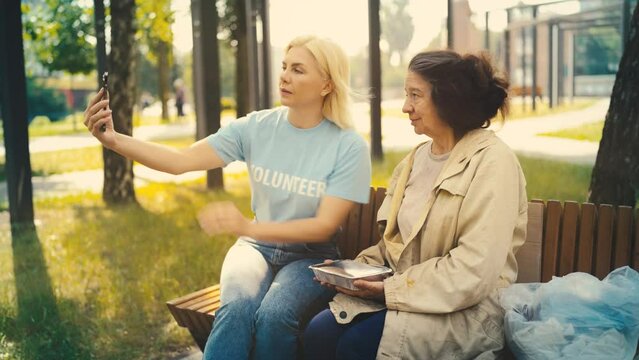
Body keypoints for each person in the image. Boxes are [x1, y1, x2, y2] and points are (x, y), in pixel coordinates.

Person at [83, 35, 371, 360]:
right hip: (255, 248)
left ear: (326, 85)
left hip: (311, 257)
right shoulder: (256, 127)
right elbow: (181, 161)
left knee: (274, 317)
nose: (285, 76)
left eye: (299, 70)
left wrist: (245, 226)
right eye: (285, 66)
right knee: (235, 308)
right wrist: (115, 141)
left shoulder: (349, 147)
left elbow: (322, 226)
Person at [303, 50, 528, 359]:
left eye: (415, 95)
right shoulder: (416, 160)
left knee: (355, 345)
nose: (406, 107)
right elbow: (392, 248)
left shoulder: (493, 161)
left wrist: (390, 289)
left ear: (448, 99)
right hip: (406, 296)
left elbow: (473, 271)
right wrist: (354, 271)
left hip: (465, 310)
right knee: (319, 332)